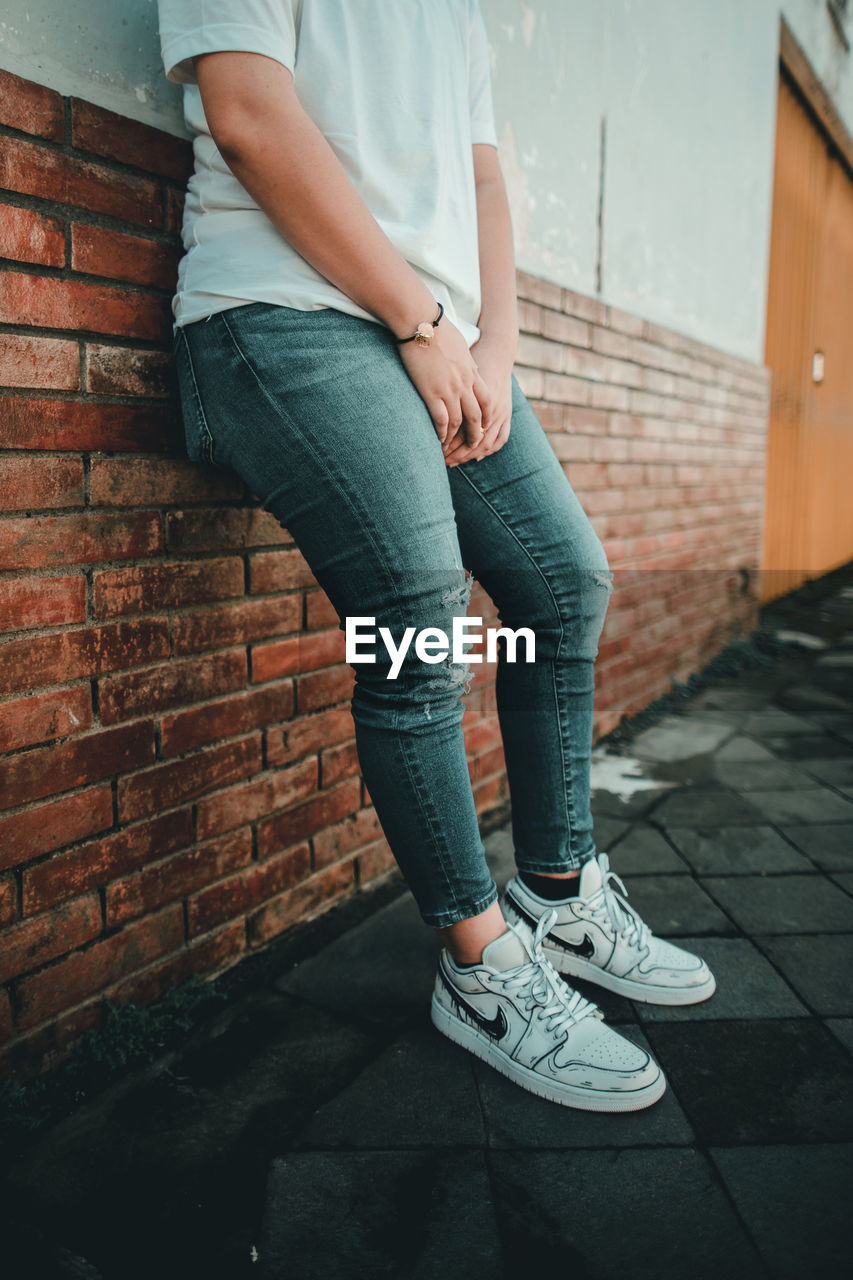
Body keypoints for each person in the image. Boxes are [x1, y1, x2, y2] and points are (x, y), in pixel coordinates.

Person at [157, 0, 715, 1113]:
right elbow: (250, 114)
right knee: (418, 615)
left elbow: (485, 179)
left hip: (441, 340)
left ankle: (556, 891)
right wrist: (420, 324)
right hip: (280, 313)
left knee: (564, 583)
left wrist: (491, 351)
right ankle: (482, 965)